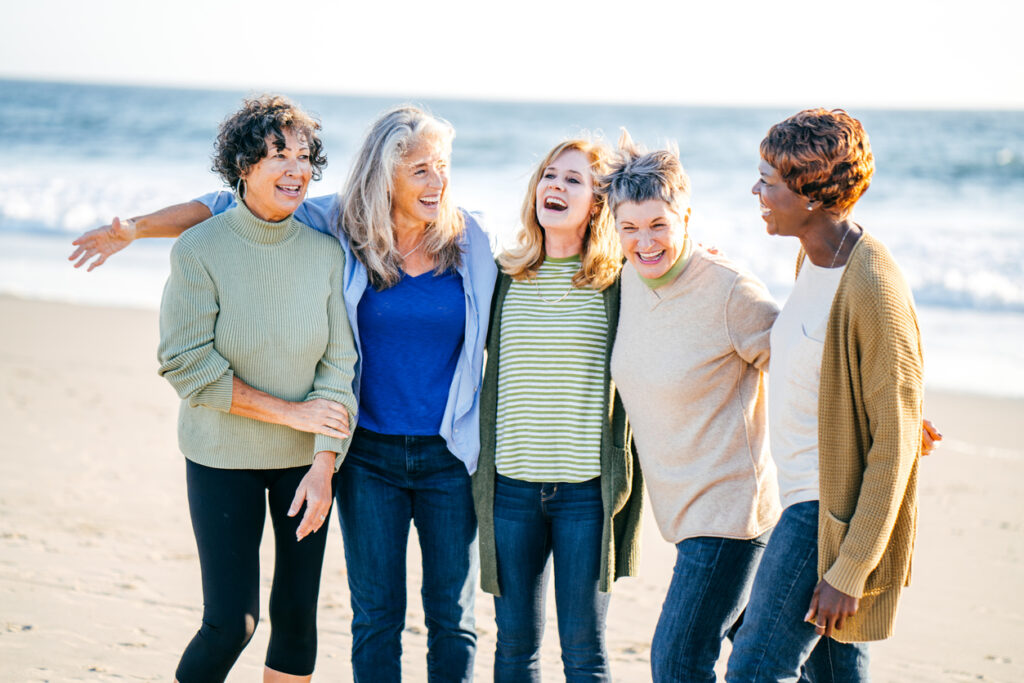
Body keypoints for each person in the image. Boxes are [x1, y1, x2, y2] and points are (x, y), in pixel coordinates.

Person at [70, 105, 497, 683]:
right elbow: (227, 213)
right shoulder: (330, 228)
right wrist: (135, 228)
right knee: (297, 620)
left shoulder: (432, 241)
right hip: (301, 453)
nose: (437, 180)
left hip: (388, 456)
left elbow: (344, 363)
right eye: (420, 168)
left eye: (442, 166)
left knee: (394, 618)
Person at [155, 94, 358, 682]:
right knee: (231, 622)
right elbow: (185, 364)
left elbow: (340, 367)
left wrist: (324, 464)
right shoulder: (200, 248)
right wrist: (291, 414)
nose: (296, 169)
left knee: (296, 617)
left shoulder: (324, 255)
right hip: (221, 457)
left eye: (303, 156)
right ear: (243, 166)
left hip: (306, 465)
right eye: (278, 155)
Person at [725, 108, 925, 682]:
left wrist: (850, 569)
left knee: (754, 669)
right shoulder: (812, 259)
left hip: (824, 514)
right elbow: (838, 379)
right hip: (802, 498)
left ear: (811, 195)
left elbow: (895, 440)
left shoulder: (872, 284)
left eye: (769, 180)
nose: (757, 190)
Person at [472, 139, 643, 682]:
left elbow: (681, 273)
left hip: (586, 496)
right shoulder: (501, 275)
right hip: (511, 490)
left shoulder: (619, 283)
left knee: (585, 651)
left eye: (574, 180)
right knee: (514, 646)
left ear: (597, 203)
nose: (555, 186)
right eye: (549, 175)